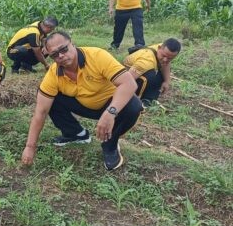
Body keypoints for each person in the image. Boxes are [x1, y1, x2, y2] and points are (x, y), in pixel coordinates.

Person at [21, 31, 142, 171]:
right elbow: (40, 112)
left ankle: (110, 145)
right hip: (84, 105)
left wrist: (110, 112)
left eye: (63, 49)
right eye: (54, 55)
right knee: (47, 97)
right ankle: (76, 134)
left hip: (112, 104)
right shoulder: (54, 74)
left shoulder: (97, 56)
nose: (61, 56)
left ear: (72, 44)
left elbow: (129, 83)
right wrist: (30, 147)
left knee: (134, 105)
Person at [123, 38, 181, 106]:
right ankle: (141, 100)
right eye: (163, 56)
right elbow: (126, 81)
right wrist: (133, 99)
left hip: (138, 72)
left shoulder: (164, 48)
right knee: (151, 76)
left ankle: (149, 99)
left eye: (170, 58)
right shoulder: (146, 62)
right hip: (127, 74)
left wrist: (167, 81)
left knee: (160, 75)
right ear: (159, 48)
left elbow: (166, 64)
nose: (165, 59)